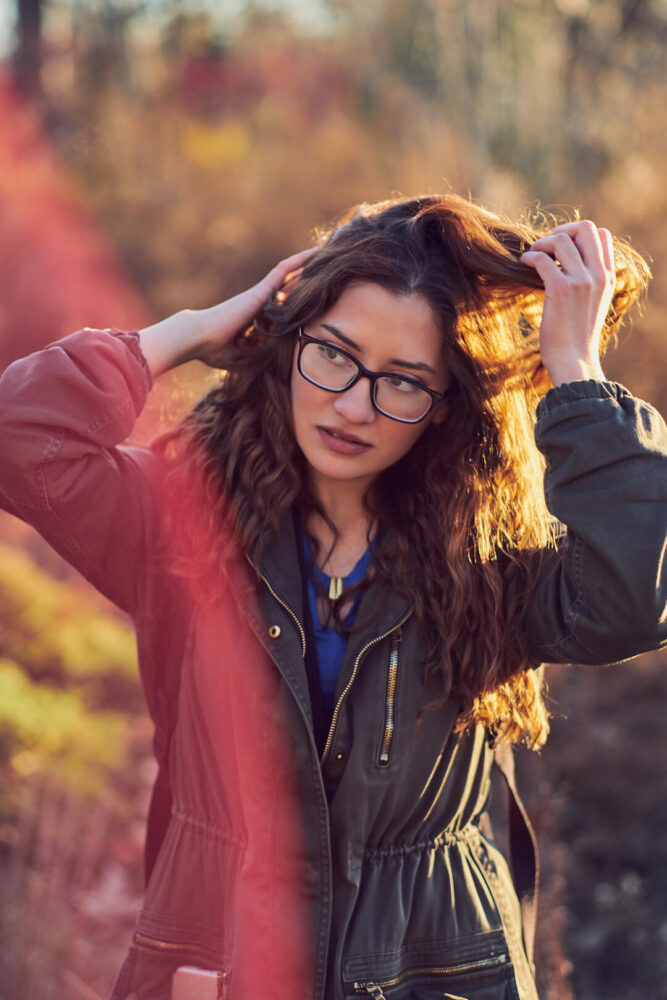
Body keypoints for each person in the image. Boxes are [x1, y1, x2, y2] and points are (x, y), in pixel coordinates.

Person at [0, 194, 665, 1000]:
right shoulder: (181, 524)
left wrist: (575, 373)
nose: (355, 406)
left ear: (443, 409)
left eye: (403, 383)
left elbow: (637, 596)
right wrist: (190, 330)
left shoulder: (489, 562)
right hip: (218, 958)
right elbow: (21, 434)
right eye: (333, 356)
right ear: (286, 345)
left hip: (434, 964)